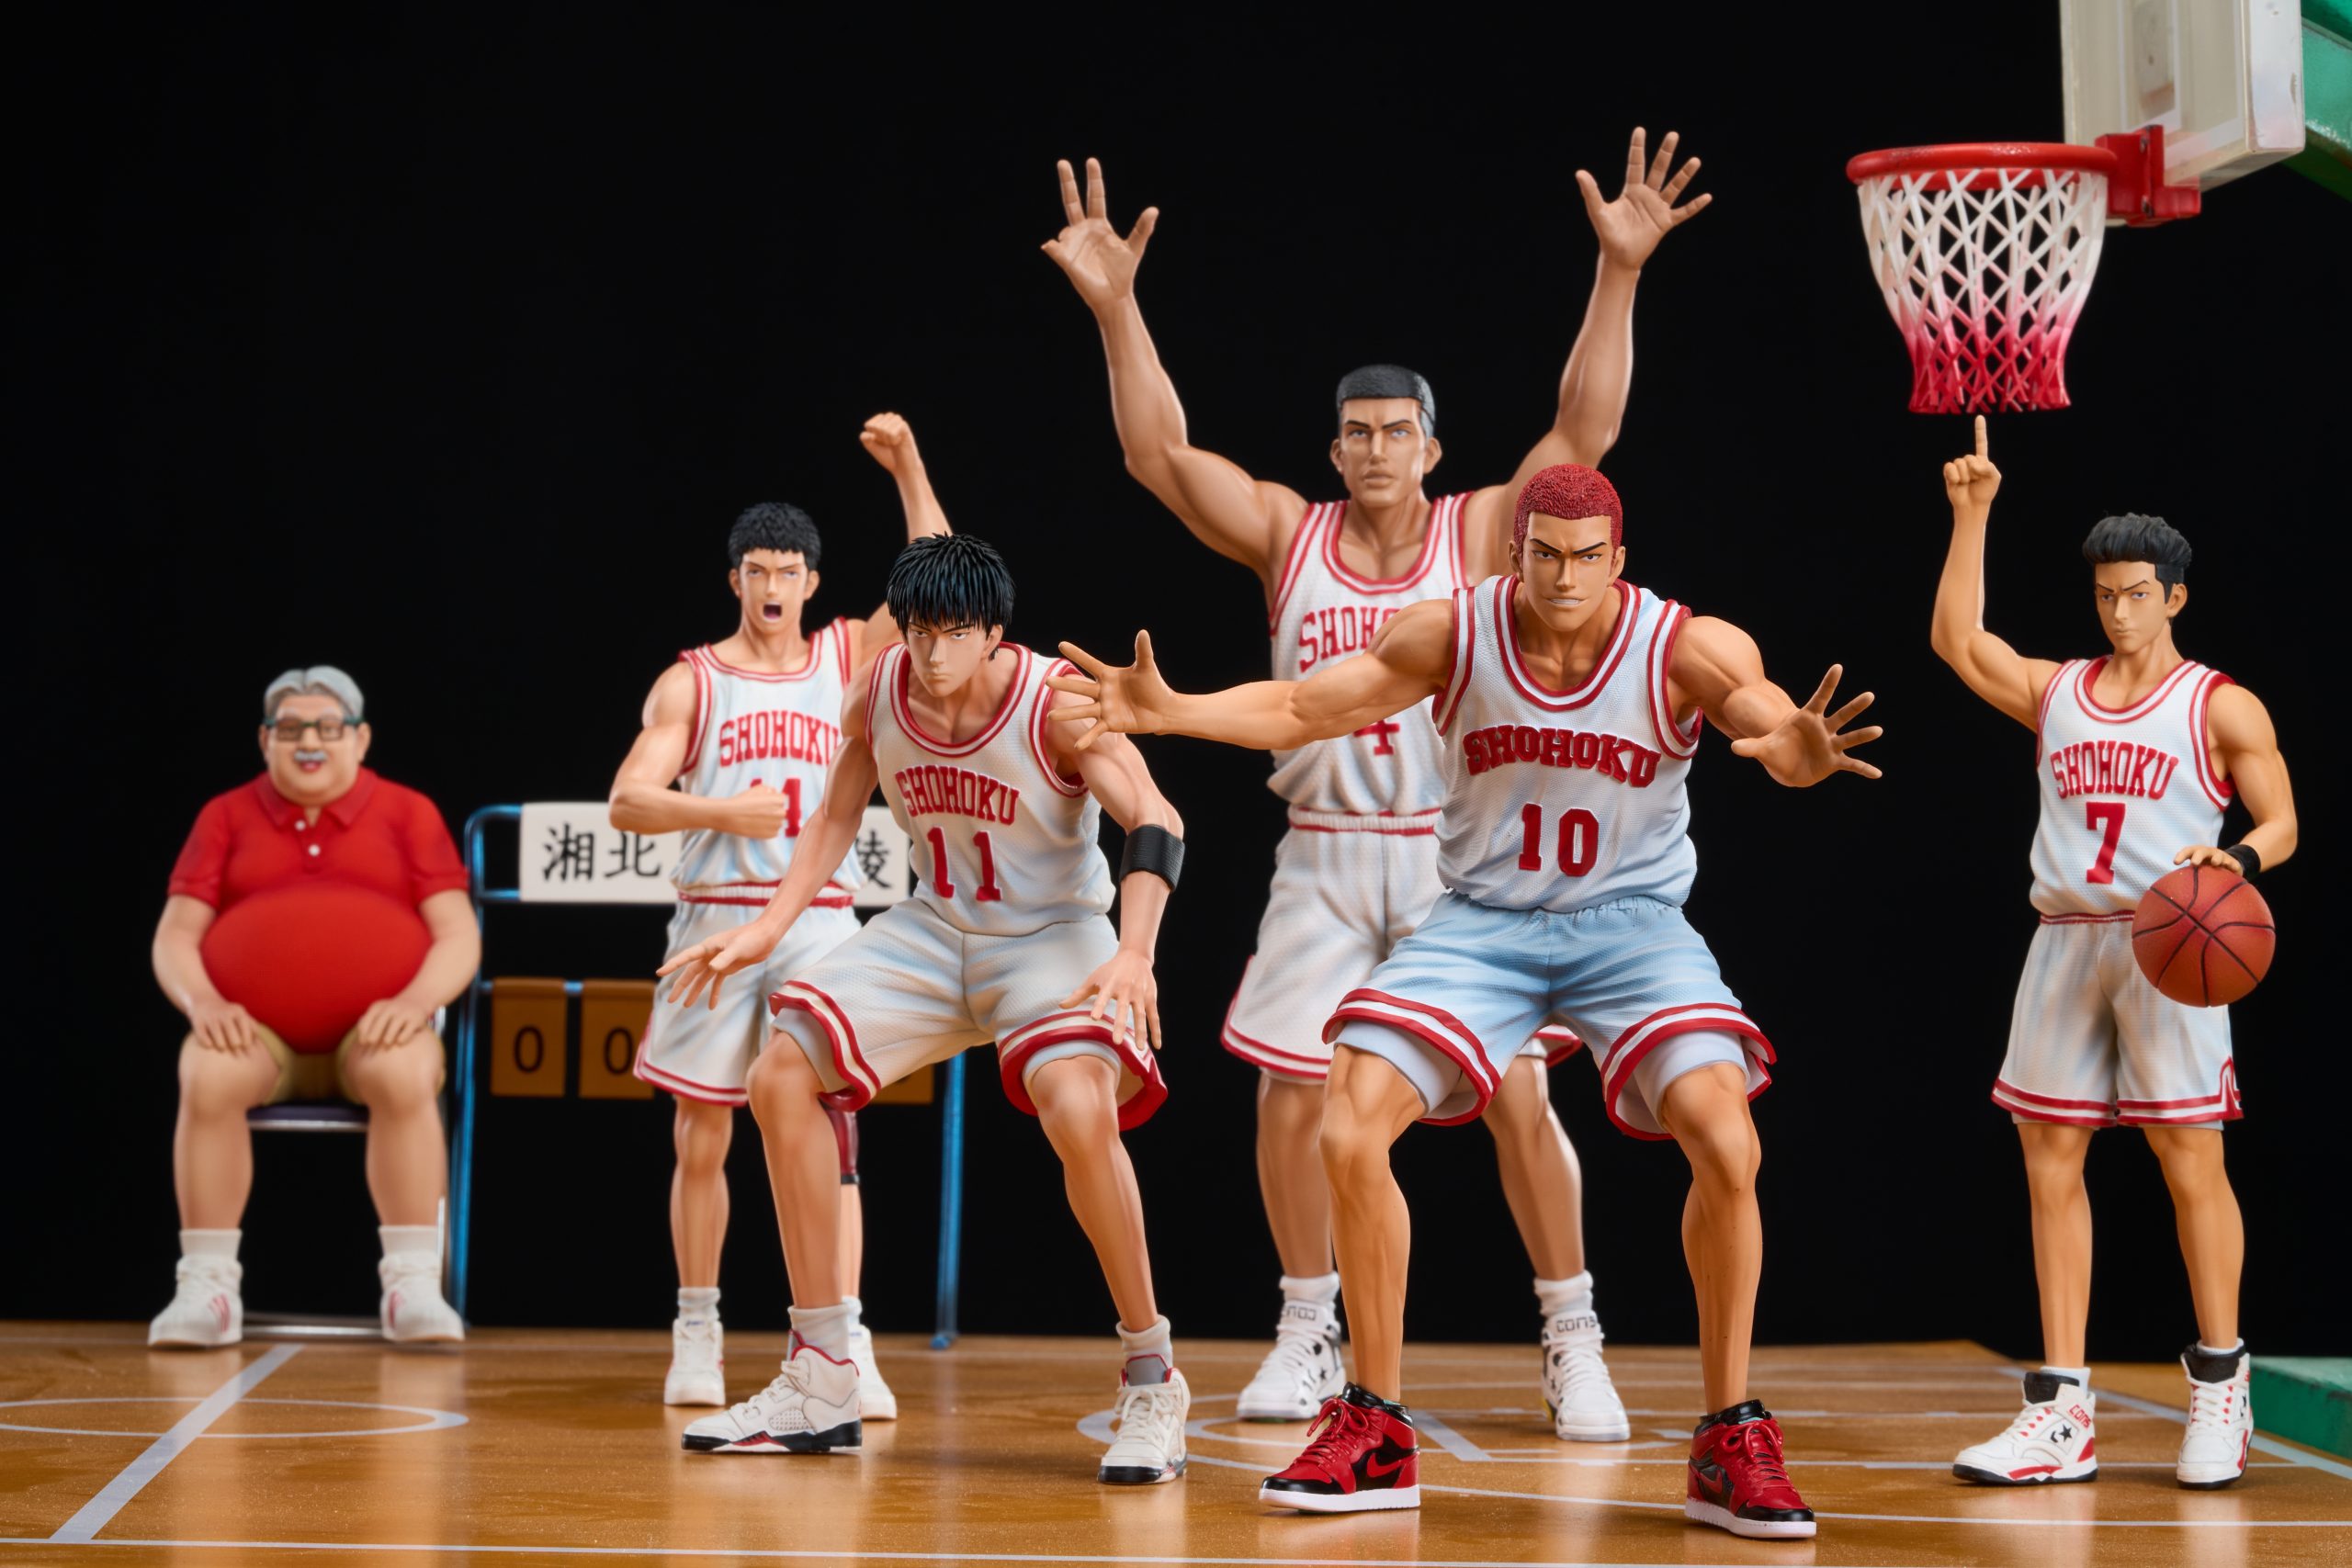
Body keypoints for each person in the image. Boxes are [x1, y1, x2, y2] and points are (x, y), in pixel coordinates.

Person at [1048, 463, 1879, 1535]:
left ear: (1618, 561)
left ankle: (1726, 1435)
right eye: (1545, 555)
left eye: (1587, 558)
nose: (1566, 577)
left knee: (1726, 1137)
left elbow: (1765, 722)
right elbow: (1306, 704)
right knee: (1349, 1122)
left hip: (1628, 928)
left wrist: (1796, 758)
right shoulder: (1454, 631)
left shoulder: (1682, 644)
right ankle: (1377, 1428)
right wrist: (1171, 711)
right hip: (1484, 923)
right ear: (1512, 553)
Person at [1041, 130, 1708, 1432]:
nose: (1377, 448)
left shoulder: (1482, 531)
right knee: (1294, 1091)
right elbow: (1160, 460)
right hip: (1328, 846)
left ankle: (1573, 1329)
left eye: (1398, 430)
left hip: (1462, 852)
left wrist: (1618, 272)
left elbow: (1587, 430)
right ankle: (1306, 1320)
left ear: (1433, 444)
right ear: (1335, 448)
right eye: (1357, 432)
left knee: (1520, 1092)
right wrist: (1119, 306)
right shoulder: (1292, 532)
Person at [660, 533, 1193, 1484]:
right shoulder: (876, 689)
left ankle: (1151, 1375)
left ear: (994, 632)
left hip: (1050, 937)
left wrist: (1137, 952)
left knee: (1078, 1106)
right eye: (916, 632)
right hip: (934, 928)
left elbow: (1156, 819)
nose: (933, 655)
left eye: (953, 634)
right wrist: (763, 928)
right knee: (779, 1072)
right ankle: (822, 1367)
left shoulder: (1053, 703)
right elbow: (832, 816)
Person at [1932, 419, 2296, 1491]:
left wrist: (2230, 860)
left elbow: (2283, 823)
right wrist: (1971, 517)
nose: (2119, 608)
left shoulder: (2218, 703)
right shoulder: (2057, 692)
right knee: (2049, 1164)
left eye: (2138, 592)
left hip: (2169, 943)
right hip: (2064, 940)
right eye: (2105, 593)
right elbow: (1959, 642)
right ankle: (2060, 1412)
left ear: (2175, 597)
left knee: (2191, 1163)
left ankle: (2220, 1390)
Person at [609, 413, 949, 1412]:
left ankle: (845, 1337)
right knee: (702, 1134)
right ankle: (698, 1322)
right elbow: (629, 801)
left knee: (835, 1128)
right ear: (736, 580)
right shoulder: (692, 679)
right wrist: (721, 809)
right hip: (717, 915)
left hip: (817, 916)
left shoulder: (847, 655)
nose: (770, 585)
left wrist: (909, 467)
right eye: (756, 569)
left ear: (810, 579)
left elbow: (933, 570)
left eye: (787, 569)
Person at [151, 666, 481, 1346]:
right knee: (206, 1073)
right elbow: (176, 934)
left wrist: (416, 998)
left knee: (404, 1072)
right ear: (264, 739)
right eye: (292, 727)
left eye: (328, 727)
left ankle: (413, 1284)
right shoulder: (225, 815)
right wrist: (203, 1000)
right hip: (258, 1037)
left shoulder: (408, 812)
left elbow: (457, 932)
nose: (310, 741)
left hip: (375, 1031)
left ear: (360, 739)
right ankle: (206, 1287)